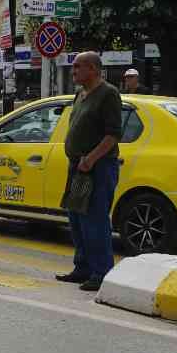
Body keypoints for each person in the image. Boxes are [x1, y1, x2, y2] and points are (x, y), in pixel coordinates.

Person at [57, 52, 123, 291]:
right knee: (76, 217)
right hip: (77, 166)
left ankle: (101, 271)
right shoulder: (80, 93)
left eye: (78, 67)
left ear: (94, 69)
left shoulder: (108, 94)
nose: (73, 71)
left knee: (95, 220)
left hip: (97, 167)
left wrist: (92, 158)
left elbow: (113, 134)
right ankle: (82, 266)